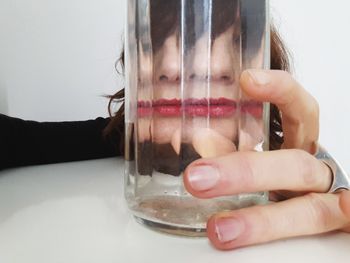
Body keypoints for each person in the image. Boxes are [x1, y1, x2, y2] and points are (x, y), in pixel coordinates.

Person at [1, 0, 350, 251]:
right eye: (157, 38)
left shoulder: (282, 156)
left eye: (233, 39)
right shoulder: (108, 140)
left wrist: (331, 184)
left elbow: (319, 174)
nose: (175, 67)